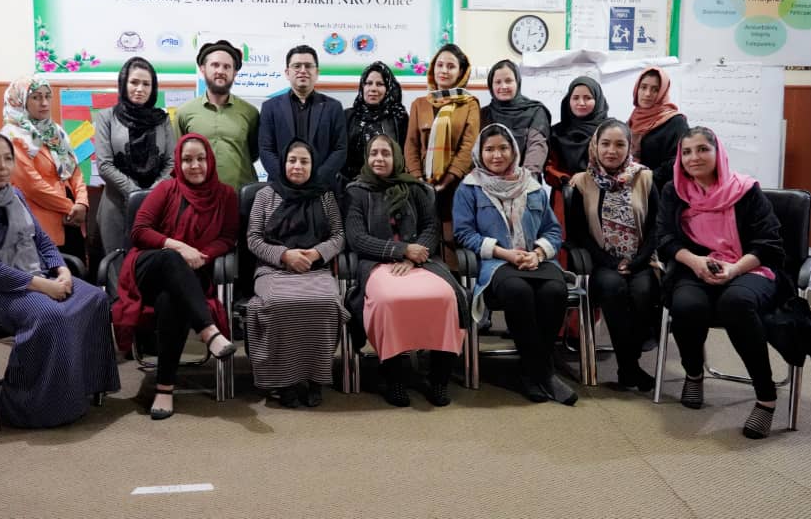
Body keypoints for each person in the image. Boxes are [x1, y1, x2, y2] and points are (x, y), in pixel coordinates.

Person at [0, 132, 119, 428]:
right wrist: (43, 286)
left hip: (30, 276)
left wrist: (61, 270)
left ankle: (79, 388)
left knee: (95, 299)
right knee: (50, 315)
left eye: (8, 158)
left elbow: (42, 240)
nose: (3, 167)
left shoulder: (14, 195)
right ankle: (27, 406)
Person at [657, 126, 785, 439]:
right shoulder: (674, 191)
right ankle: (693, 373)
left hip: (748, 266)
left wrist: (734, 269)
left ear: (719, 153)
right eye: (687, 152)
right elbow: (665, 239)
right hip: (695, 266)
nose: (694, 157)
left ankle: (766, 397)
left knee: (736, 304)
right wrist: (696, 262)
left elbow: (769, 244)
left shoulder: (746, 190)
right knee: (686, 306)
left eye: (703, 149)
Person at [112, 134, 239, 420]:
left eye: (200, 159)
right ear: (178, 163)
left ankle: (164, 389)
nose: (195, 165)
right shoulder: (166, 189)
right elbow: (139, 231)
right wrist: (179, 247)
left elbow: (228, 237)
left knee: (172, 301)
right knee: (172, 258)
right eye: (187, 160)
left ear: (210, 161)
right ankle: (209, 331)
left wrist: (203, 255)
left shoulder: (226, 195)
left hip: (191, 275)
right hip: (150, 267)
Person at [453, 124, 575, 405]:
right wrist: (504, 253)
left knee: (554, 292)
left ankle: (532, 371)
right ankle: (542, 372)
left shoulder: (532, 186)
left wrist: (539, 253)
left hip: (536, 260)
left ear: (514, 151)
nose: (497, 155)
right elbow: (464, 233)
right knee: (518, 291)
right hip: (497, 263)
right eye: (489, 149)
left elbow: (552, 230)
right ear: (480, 153)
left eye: (503, 148)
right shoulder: (469, 187)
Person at [346, 135, 467, 408]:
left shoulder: (417, 189)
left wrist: (414, 257)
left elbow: (431, 228)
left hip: (421, 263)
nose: (379, 159)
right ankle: (394, 378)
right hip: (376, 263)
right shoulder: (356, 191)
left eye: (385, 153)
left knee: (446, 297)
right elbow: (356, 238)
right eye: (373, 153)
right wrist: (400, 251)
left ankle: (439, 378)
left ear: (396, 157)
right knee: (390, 301)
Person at [245, 140, 348, 408]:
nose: (297, 166)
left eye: (304, 161)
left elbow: (338, 236)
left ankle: (315, 379)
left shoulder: (325, 196)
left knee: (326, 303)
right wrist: (284, 255)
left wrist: (315, 253)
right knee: (279, 304)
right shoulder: (265, 196)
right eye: (292, 160)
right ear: (283, 163)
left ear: (313, 165)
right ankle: (285, 381)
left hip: (315, 269)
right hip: (273, 269)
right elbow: (253, 239)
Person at [568, 119, 660, 391]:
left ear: (629, 147)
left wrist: (637, 261)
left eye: (619, 144)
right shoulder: (582, 182)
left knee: (644, 291)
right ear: (595, 146)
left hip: (641, 260)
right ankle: (629, 368)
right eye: (605, 143)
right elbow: (579, 234)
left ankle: (629, 365)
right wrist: (611, 262)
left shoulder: (645, 178)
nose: (611, 150)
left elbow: (656, 227)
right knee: (613, 288)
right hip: (601, 262)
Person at [403, 43, 480, 267]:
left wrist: (448, 179)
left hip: (456, 184)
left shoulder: (470, 104)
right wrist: (418, 179)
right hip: (421, 185)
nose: (444, 70)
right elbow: (411, 144)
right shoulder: (419, 104)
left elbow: (469, 145)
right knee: (423, 236)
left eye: (451, 66)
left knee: (451, 238)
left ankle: (453, 279)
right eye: (440, 65)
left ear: (461, 71)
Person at [0, 76, 89, 260]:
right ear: (20, 101)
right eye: (36, 97)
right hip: (42, 221)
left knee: (78, 269)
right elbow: (32, 186)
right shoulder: (12, 137)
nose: (44, 103)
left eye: (48, 96)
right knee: (54, 272)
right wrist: (70, 208)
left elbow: (74, 170)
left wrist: (82, 202)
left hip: (72, 217)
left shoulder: (56, 132)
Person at [94, 56, 175, 255]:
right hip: (116, 204)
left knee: (151, 262)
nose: (140, 89)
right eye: (134, 82)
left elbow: (171, 162)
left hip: (157, 206)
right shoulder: (107, 117)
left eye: (146, 84)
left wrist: (152, 195)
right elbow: (104, 165)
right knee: (117, 262)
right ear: (124, 84)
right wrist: (136, 194)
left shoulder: (162, 120)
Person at [259, 45, 347, 192]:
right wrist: (286, 178)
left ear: (316, 72)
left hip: (322, 189)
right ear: (287, 73)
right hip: (281, 190)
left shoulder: (333, 107)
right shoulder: (270, 107)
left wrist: (316, 178)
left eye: (308, 66)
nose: (303, 70)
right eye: (297, 66)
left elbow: (340, 149)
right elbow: (266, 149)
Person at [177, 39, 260, 190]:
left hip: (240, 195)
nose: (221, 71)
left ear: (234, 72)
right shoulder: (184, 112)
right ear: (203, 69)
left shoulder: (250, 112)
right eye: (215, 65)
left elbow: (253, 153)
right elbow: (178, 157)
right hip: (199, 196)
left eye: (227, 67)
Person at [480, 59, 551, 178]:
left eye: (508, 81)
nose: (503, 86)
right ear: (491, 86)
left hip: (525, 180)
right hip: (488, 181)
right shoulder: (483, 114)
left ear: (517, 82)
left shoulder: (535, 111)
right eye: (498, 82)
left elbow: (537, 146)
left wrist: (524, 178)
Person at [547, 76, 609, 209]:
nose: (581, 103)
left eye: (588, 98)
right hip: (565, 196)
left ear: (597, 100)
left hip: (602, 196)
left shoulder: (608, 131)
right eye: (575, 98)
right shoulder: (557, 132)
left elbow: (617, 164)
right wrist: (564, 179)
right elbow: (549, 167)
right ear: (568, 100)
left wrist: (587, 177)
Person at [343, 61, 409, 183]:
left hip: (389, 184)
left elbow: (405, 155)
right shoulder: (348, 116)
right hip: (350, 185)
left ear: (388, 88)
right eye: (368, 83)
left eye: (379, 84)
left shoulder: (398, 117)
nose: (373, 88)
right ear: (362, 87)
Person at [627, 66, 688, 191]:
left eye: (655, 89)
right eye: (643, 87)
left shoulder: (676, 122)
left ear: (662, 93)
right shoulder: (632, 119)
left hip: (660, 192)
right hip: (630, 190)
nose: (647, 94)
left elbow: (679, 161)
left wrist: (646, 179)